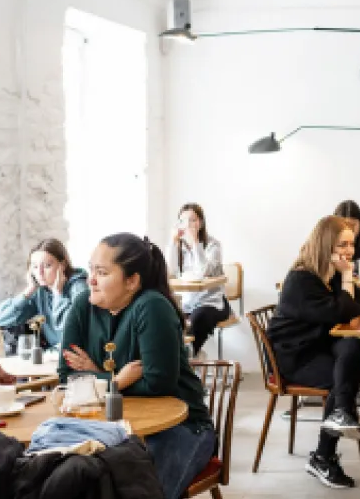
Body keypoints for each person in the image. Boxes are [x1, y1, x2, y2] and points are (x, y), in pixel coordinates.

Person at [57, 233, 213, 499]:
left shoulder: (151, 306)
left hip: (177, 428)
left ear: (132, 281)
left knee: (138, 490)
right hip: (111, 428)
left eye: (102, 272)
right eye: (91, 269)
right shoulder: (84, 304)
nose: (90, 279)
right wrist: (117, 379)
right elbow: (68, 376)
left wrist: (99, 378)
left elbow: (157, 383)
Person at [267, 216, 360, 490]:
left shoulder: (330, 274)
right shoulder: (302, 279)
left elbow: (358, 305)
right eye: (342, 244)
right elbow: (339, 311)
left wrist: (345, 279)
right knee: (343, 377)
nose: (349, 251)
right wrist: (348, 277)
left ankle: (340, 415)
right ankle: (323, 455)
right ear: (326, 245)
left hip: (317, 345)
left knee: (354, 345)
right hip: (293, 357)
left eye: (351, 244)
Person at [0, 238, 88, 350]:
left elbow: (73, 330)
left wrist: (58, 294)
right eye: (35, 266)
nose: (40, 273)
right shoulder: (41, 291)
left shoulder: (79, 287)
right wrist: (28, 291)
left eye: (47, 265)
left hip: (80, 355)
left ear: (62, 265)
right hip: (56, 355)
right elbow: (0, 318)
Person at [165, 203, 230, 357]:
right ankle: (187, 356)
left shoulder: (213, 245)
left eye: (192, 220)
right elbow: (170, 271)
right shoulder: (180, 246)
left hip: (212, 302)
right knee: (165, 316)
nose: (187, 225)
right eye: (183, 220)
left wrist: (195, 243)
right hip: (187, 302)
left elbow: (203, 273)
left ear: (200, 223)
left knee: (198, 319)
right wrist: (173, 242)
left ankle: (189, 356)